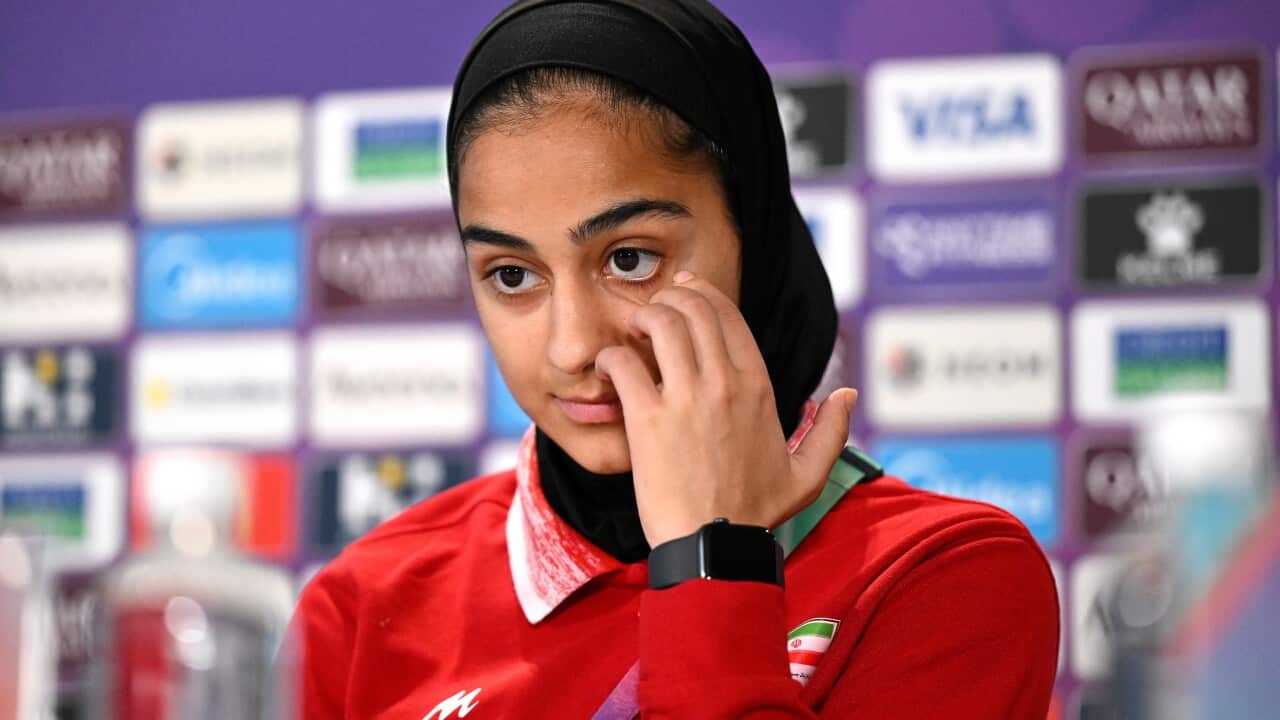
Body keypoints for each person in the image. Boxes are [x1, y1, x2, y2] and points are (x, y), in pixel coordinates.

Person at [290, 1, 1059, 717]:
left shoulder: (947, 575)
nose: (572, 347)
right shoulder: (362, 606)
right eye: (512, 276)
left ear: (753, 243)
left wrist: (710, 558)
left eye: (629, 259)